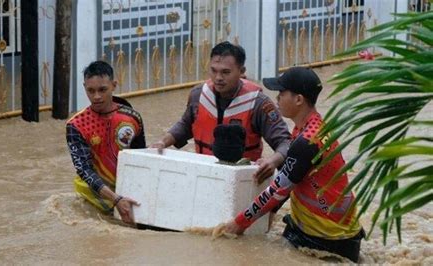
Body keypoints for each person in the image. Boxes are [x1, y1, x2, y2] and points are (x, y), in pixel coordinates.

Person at [224, 67, 365, 262]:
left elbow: (277, 190)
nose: (277, 98)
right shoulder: (312, 128)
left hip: (326, 239)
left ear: (298, 99)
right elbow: (291, 177)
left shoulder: (306, 142)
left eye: (282, 93)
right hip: (332, 231)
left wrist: (239, 223)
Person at [150, 41, 291, 183]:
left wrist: (272, 161)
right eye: (214, 70)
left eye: (225, 72)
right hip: (204, 175)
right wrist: (162, 142)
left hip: (243, 180)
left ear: (241, 71)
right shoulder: (198, 95)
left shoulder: (258, 103)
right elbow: (186, 124)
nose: (218, 78)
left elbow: (285, 142)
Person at [66, 60, 146, 224]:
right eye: (91, 91)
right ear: (84, 88)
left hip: (125, 194)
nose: (96, 96)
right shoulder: (76, 125)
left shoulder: (133, 117)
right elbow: (84, 170)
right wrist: (115, 199)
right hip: (92, 198)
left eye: (102, 90)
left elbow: (141, 160)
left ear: (114, 85)